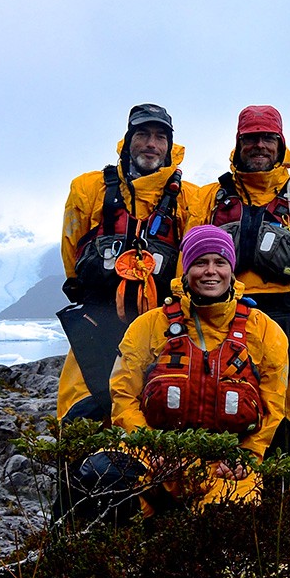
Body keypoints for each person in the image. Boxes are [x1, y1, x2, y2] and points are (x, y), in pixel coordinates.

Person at [99, 225, 289, 514]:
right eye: (200, 262)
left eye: (220, 262)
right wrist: (149, 445)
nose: (210, 271)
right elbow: (123, 396)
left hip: (227, 466)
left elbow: (274, 406)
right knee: (99, 474)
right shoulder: (149, 326)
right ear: (186, 269)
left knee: (230, 511)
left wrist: (247, 456)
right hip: (156, 457)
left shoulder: (264, 331)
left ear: (231, 270)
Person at [189, 105, 290, 453]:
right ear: (239, 143)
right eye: (251, 138)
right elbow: (189, 269)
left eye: (268, 138)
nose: (259, 146)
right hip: (218, 319)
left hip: (284, 321)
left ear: (281, 143)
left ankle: (279, 498)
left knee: (279, 417)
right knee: (216, 412)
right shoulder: (209, 199)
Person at [57, 104, 196, 421]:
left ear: (170, 147)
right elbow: (71, 248)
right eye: (143, 134)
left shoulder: (189, 198)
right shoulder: (88, 188)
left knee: (151, 413)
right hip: (96, 320)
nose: (152, 143)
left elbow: (189, 264)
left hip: (159, 326)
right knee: (80, 412)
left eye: (161, 137)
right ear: (128, 139)